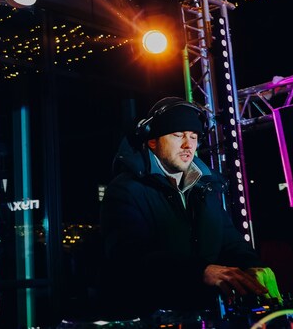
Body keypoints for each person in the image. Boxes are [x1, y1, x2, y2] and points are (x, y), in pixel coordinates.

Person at [98, 97, 280, 319]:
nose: (188, 145)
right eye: (178, 135)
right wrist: (200, 271)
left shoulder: (206, 189)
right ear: (152, 141)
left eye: (193, 136)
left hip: (207, 316)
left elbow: (231, 242)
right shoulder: (125, 190)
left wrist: (253, 266)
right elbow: (129, 257)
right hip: (151, 317)